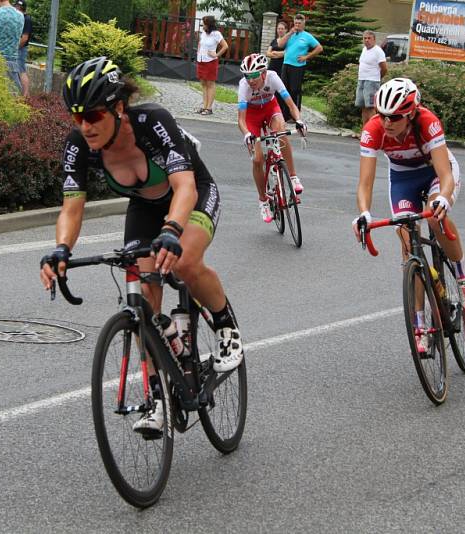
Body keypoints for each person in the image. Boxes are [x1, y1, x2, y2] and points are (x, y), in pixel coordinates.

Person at [40, 57, 244, 436]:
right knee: (143, 300)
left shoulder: (153, 122)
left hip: (192, 194)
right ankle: (157, 399)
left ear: (118, 108)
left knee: (183, 262)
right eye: (76, 116)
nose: (85, 126)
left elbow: (184, 186)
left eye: (94, 115)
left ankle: (227, 330)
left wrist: (172, 229)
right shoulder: (78, 146)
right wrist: (61, 249)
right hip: (145, 207)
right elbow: (71, 207)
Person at [353, 78, 465, 352]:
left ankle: (462, 274)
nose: (387, 122)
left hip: (435, 172)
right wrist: (363, 213)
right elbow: (365, 183)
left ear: (410, 113)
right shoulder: (373, 129)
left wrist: (444, 198)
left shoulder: (427, 121)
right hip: (403, 179)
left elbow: (445, 175)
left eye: (395, 117)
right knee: (408, 246)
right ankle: (419, 323)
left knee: (435, 217)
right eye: (382, 115)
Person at [237, 53, 305, 223]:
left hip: (270, 109)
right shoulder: (244, 86)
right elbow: (241, 120)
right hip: (251, 117)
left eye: (253, 76)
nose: (250, 80)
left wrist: (299, 121)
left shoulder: (273, 78)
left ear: (263, 73)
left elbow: (291, 105)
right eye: (247, 76)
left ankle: (293, 176)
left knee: (281, 132)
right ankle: (263, 200)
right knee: (257, 160)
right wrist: (247, 134)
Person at [277, 14, 322, 111]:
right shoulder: (290, 34)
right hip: (286, 64)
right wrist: (289, 33)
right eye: (295, 23)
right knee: (285, 89)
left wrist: (307, 56)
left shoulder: (307, 36)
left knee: (295, 90)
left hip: (298, 66)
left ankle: (295, 113)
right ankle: (285, 113)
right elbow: (280, 45)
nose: (297, 25)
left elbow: (319, 48)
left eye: (299, 23)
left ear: (303, 24)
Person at [195, 15, 228, 116]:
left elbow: (225, 46)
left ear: (209, 24)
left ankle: (209, 108)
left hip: (210, 62)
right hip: (201, 61)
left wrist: (217, 54)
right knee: (203, 84)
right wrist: (198, 51)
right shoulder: (203, 34)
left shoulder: (216, 34)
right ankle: (204, 106)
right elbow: (200, 44)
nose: (202, 26)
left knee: (210, 84)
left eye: (204, 24)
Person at [356, 30, 387, 126]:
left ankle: (373, 130)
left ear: (374, 40)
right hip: (362, 80)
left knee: (370, 108)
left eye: (369, 38)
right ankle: (365, 131)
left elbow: (384, 68)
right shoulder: (364, 49)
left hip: (372, 82)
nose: (366, 40)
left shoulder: (378, 51)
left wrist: (377, 77)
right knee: (363, 107)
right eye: (365, 38)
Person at [266, 20, 290, 120]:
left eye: (282, 29)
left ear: (286, 30)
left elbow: (286, 53)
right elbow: (268, 53)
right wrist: (277, 54)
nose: (280, 30)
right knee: (269, 87)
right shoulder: (274, 40)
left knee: (280, 88)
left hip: (282, 67)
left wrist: (276, 54)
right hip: (272, 67)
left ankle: (280, 111)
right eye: (278, 28)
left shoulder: (288, 41)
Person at [14, 0, 32, 98]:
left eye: (16, 7)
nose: (15, 9)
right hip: (19, 48)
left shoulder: (26, 19)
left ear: (20, 8)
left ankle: (25, 96)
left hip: (21, 48)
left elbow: (24, 38)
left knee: (21, 71)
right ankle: (26, 95)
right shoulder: (21, 18)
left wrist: (15, 48)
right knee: (19, 70)